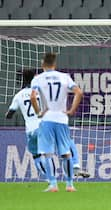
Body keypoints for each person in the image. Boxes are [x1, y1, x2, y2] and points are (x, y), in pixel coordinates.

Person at [30, 53, 83, 192]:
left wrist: (38, 113)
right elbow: (79, 92)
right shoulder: (64, 77)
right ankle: (70, 185)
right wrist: (71, 110)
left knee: (47, 153)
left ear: (43, 64)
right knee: (65, 153)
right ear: (55, 64)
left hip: (46, 119)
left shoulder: (38, 79)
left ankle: (53, 185)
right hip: (62, 119)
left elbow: (32, 97)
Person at [5, 69, 48, 180]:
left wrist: (10, 112)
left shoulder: (19, 95)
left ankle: (48, 177)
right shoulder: (40, 91)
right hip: (43, 126)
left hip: (30, 130)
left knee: (36, 155)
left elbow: (9, 115)